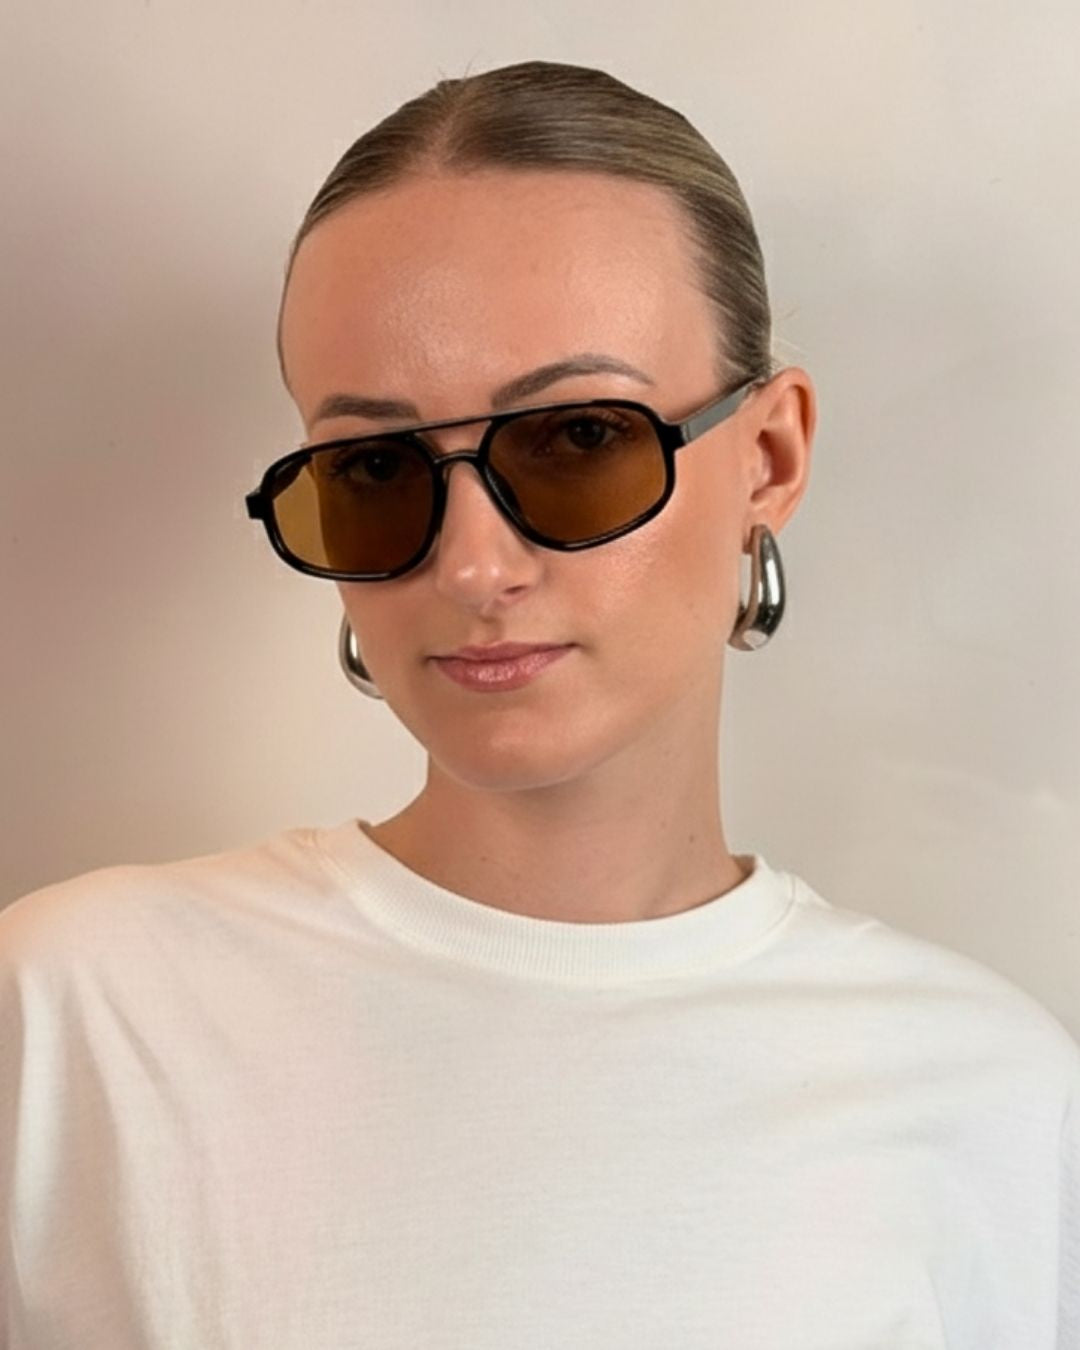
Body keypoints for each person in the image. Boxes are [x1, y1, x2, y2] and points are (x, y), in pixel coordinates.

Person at [1, 58, 1077, 1349]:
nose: (472, 566)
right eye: (376, 467)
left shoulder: (994, 1102)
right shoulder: (77, 1016)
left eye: (578, 439)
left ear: (769, 455)